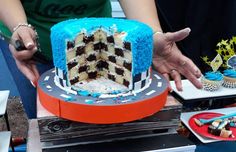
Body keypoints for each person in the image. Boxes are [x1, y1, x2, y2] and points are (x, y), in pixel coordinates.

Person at [0, 0, 202, 119]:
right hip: (31, 48)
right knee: (46, 118)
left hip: (101, 45)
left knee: (108, 118)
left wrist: (153, 34)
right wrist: (19, 28)